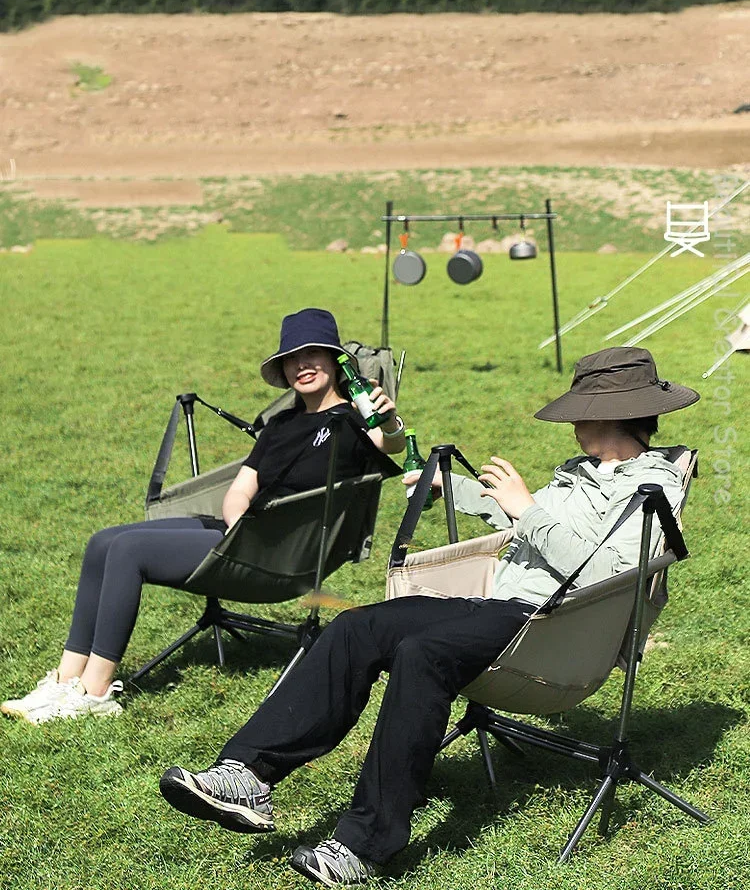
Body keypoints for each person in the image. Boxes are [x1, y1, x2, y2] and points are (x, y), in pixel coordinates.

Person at [158, 346, 699, 887]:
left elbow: (612, 570)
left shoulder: (653, 485)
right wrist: (455, 488)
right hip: (496, 607)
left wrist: (526, 507)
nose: (574, 421)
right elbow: (527, 530)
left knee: (424, 653)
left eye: (581, 409)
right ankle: (249, 773)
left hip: (550, 624)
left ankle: (363, 844)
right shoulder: (579, 470)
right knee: (356, 627)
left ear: (607, 412)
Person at [1, 309, 405, 725]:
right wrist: (239, 524)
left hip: (283, 552)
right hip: (244, 536)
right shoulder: (280, 424)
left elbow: (388, 443)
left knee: (128, 550)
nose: (302, 366)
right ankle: (66, 680)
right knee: (102, 541)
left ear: (335, 360)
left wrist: (391, 421)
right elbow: (241, 489)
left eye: (313, 354)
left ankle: (96, 692)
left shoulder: (357, 421)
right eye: (291, 358)